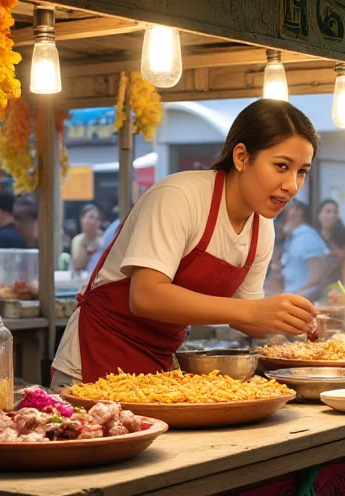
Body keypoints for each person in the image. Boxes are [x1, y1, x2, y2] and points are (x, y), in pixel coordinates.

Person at [51, 99, 319, 386]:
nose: (292, 185)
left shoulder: (262, 228)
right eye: (281, 166)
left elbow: (246, 315)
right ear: (241, 157)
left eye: (301, 171)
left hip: (157, 369)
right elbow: (145, 296)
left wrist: (290, 321)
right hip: (93, 361)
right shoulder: (180, 196)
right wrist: (254, 311)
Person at [280, 200, 328, 300]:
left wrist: (297, 294)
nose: (286, 210)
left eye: (290, 207)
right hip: (292, 297)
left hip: (303, 299)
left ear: (299, 211)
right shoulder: (294, 237)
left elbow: (317, 275)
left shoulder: (307, 237)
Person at [71, 204, 104, 273]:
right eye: (91, 217)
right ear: (82, 219)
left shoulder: (103, 240)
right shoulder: (77, 240)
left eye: (97, 219)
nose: (94, 221)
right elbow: (78, 266)